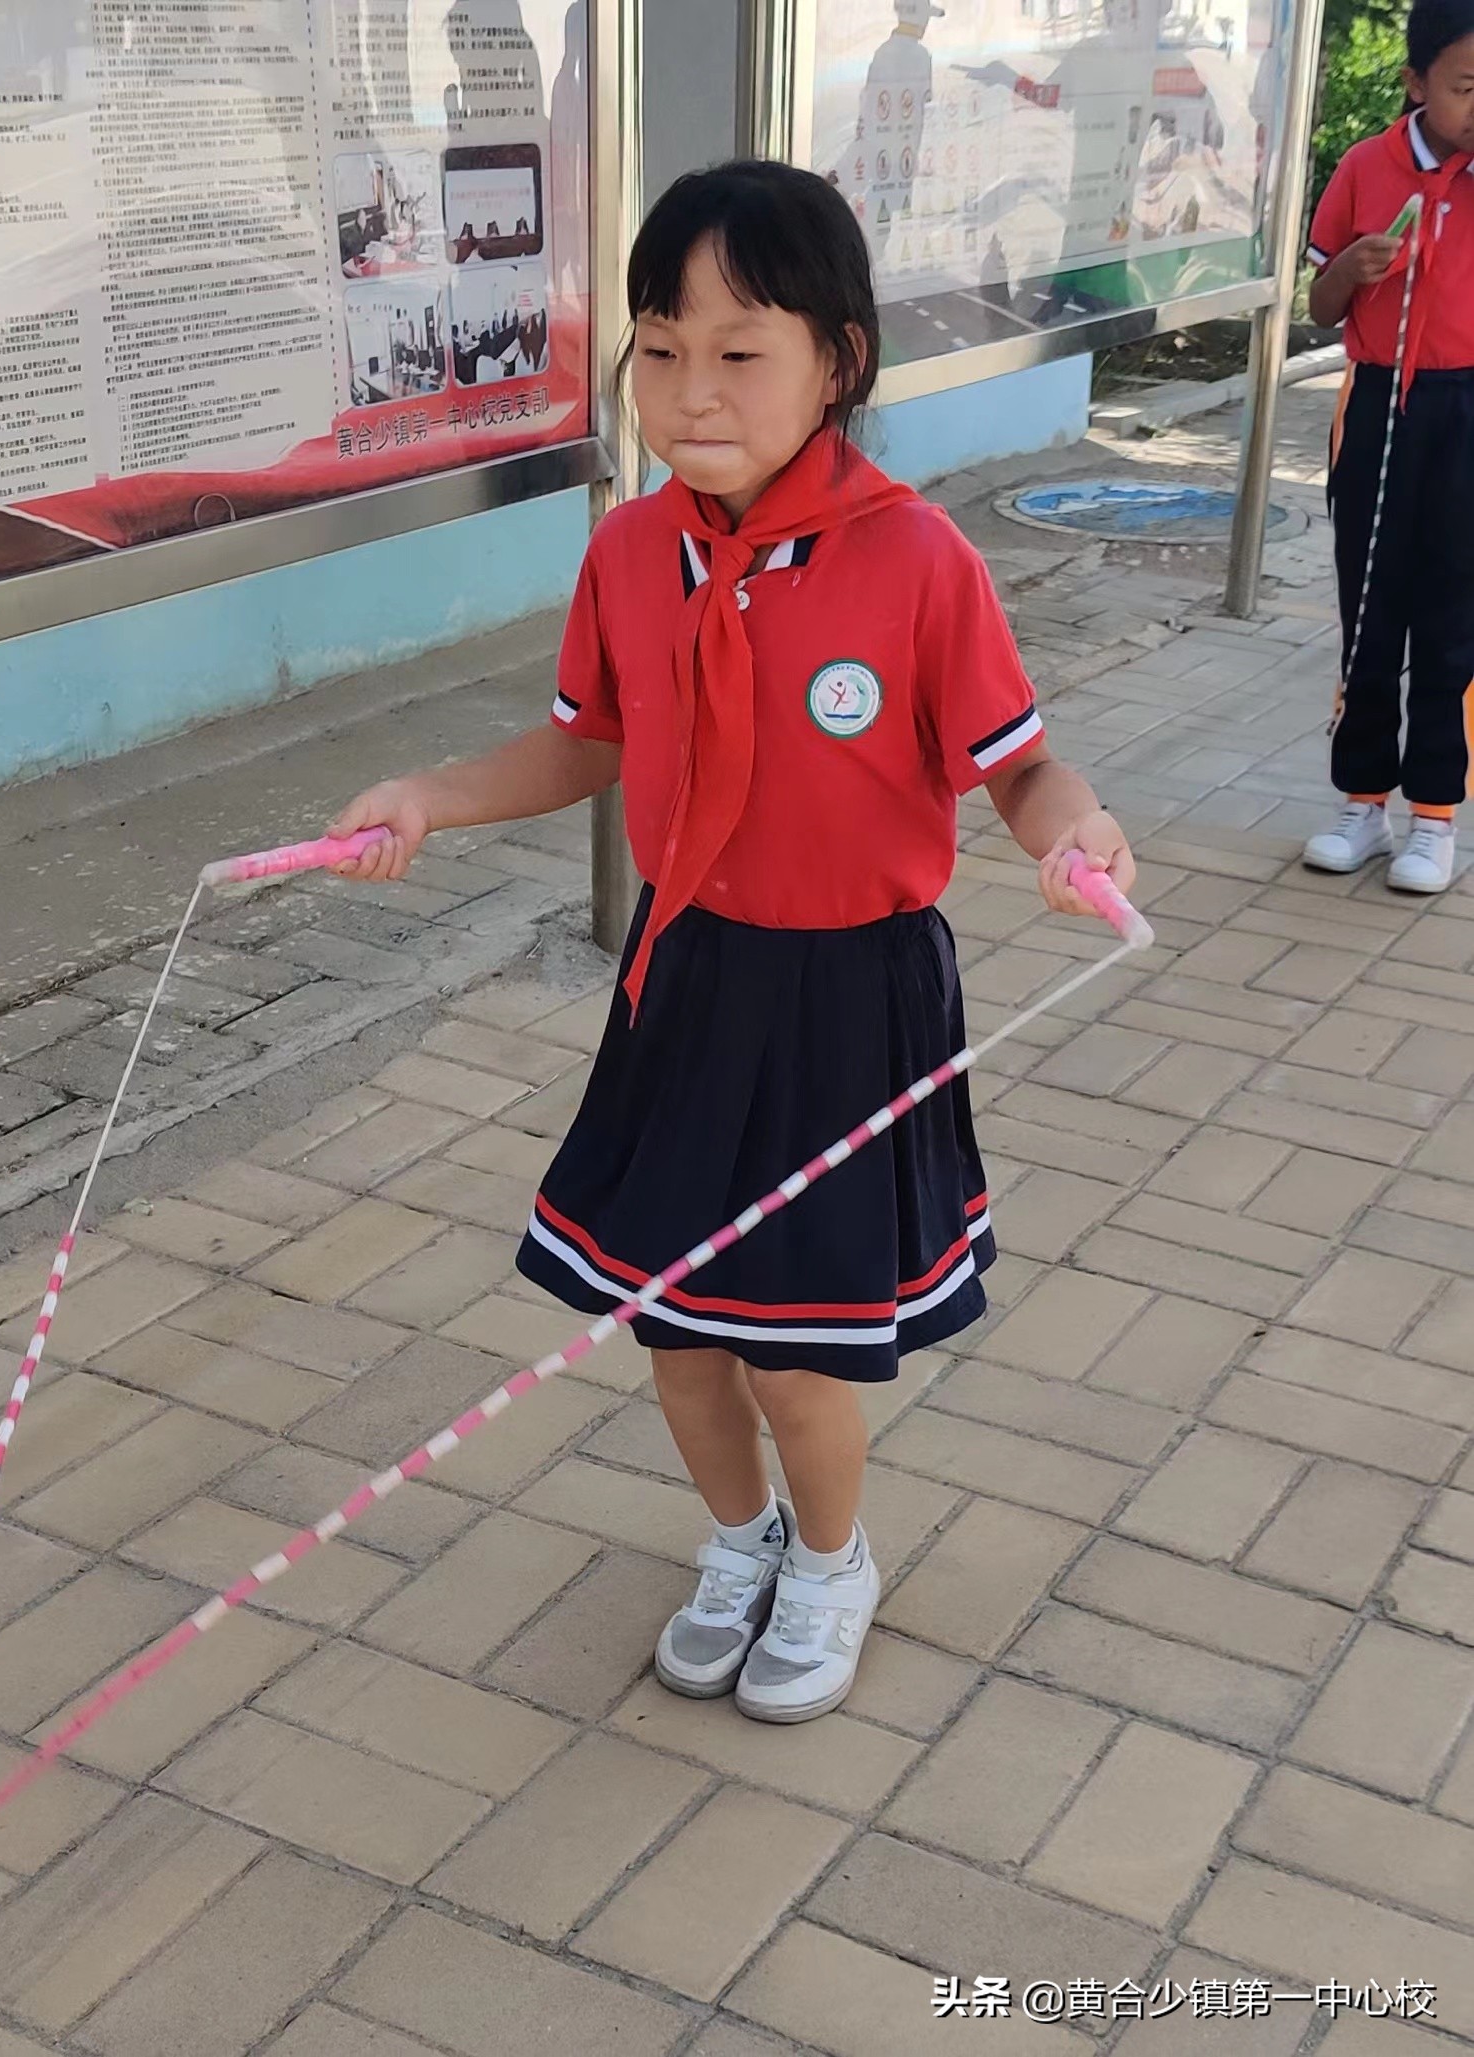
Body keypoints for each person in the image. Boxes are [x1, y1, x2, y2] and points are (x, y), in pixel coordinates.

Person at [327, 161, 1135, 1724]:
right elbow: (585, 746)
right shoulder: (633, 552)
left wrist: (1073, 834)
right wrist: (427, 794)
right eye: (660, 343)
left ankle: (832, 1561)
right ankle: (738, 1538)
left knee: (796, 1351)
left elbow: (1021, 764)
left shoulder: (915, 561)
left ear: (836, 360)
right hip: (686, 981)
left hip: (850, 998)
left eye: (740, 348)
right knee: (675, 1329)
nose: (692, 387)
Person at [1302, 0, 1474, 893]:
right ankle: (1361, 800)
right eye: (1465, 86)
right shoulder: (1368, 168)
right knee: (1369, 604)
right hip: (1377, 402)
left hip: (1468, 408)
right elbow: (1318, 306)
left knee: (1455, 617)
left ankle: (1433, 818)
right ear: (1414, 84)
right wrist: (1349, 270)